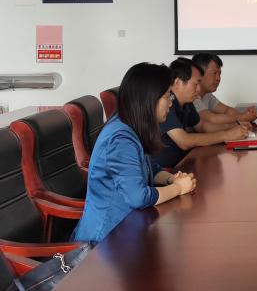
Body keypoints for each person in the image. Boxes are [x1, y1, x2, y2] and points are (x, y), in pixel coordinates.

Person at [72, 62, 197, 243]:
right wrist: (178, 188)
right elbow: (137, 197)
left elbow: (151, 169)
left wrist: (172, 179)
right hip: (103, 242)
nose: (171, 103)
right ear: (149, 99)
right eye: (167, 96)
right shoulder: (121, 138)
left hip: (128, 228)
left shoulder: (132, 126)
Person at [154, 57, 249, 168]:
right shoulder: (166, 103)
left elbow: (202, 126)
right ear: (178, 82)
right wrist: (227, 134)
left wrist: (234, 127)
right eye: (196, 84)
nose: (199, 89)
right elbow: (184, 141)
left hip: (183, 162)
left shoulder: (187, 102)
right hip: (163, 170)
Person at [191, 53, 257, 126]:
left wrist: (247, 115)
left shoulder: (207, 95)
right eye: (214, 73)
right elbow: (212, 119)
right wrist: (243, 117)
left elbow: (226, 110)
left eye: (219, 74)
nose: (218, 78)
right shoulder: (192, 96)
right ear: (199, 73)